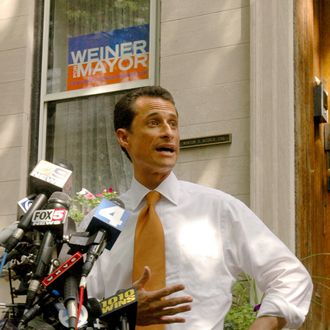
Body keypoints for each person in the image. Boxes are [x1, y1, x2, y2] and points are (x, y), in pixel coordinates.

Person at [86, 86, 313, 329]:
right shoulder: (103, 219)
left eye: (173, 124)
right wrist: (124, 308)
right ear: (124, 137)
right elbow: (71, 305)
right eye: (154, 123)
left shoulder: (219, 209)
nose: (168, 133)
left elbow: (290, 276)